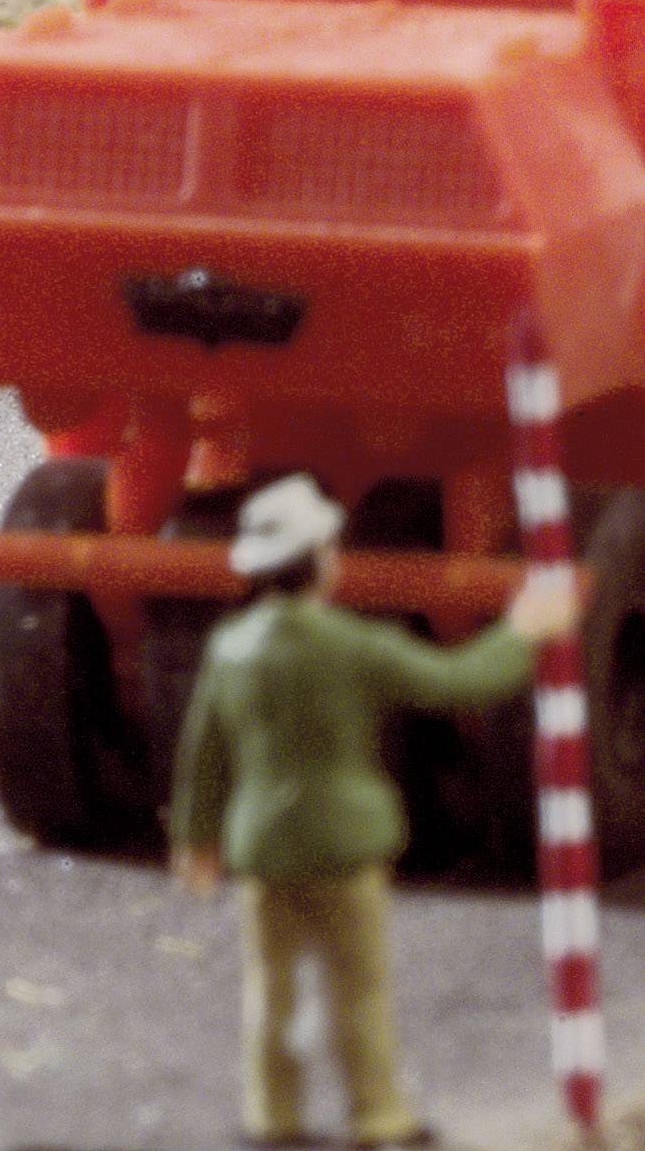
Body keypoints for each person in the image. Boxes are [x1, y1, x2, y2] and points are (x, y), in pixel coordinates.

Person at [170, 472, 580, 1150]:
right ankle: (378, 1116)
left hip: (264, 847)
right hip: (342, 847)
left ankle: (273, 1116)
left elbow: (204, 755)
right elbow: (458, 682)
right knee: (358, 991)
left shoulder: (231, 649)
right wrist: (522, 632)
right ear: (321, 562)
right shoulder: (349, 646)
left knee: (270, 992)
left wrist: (196, 836)